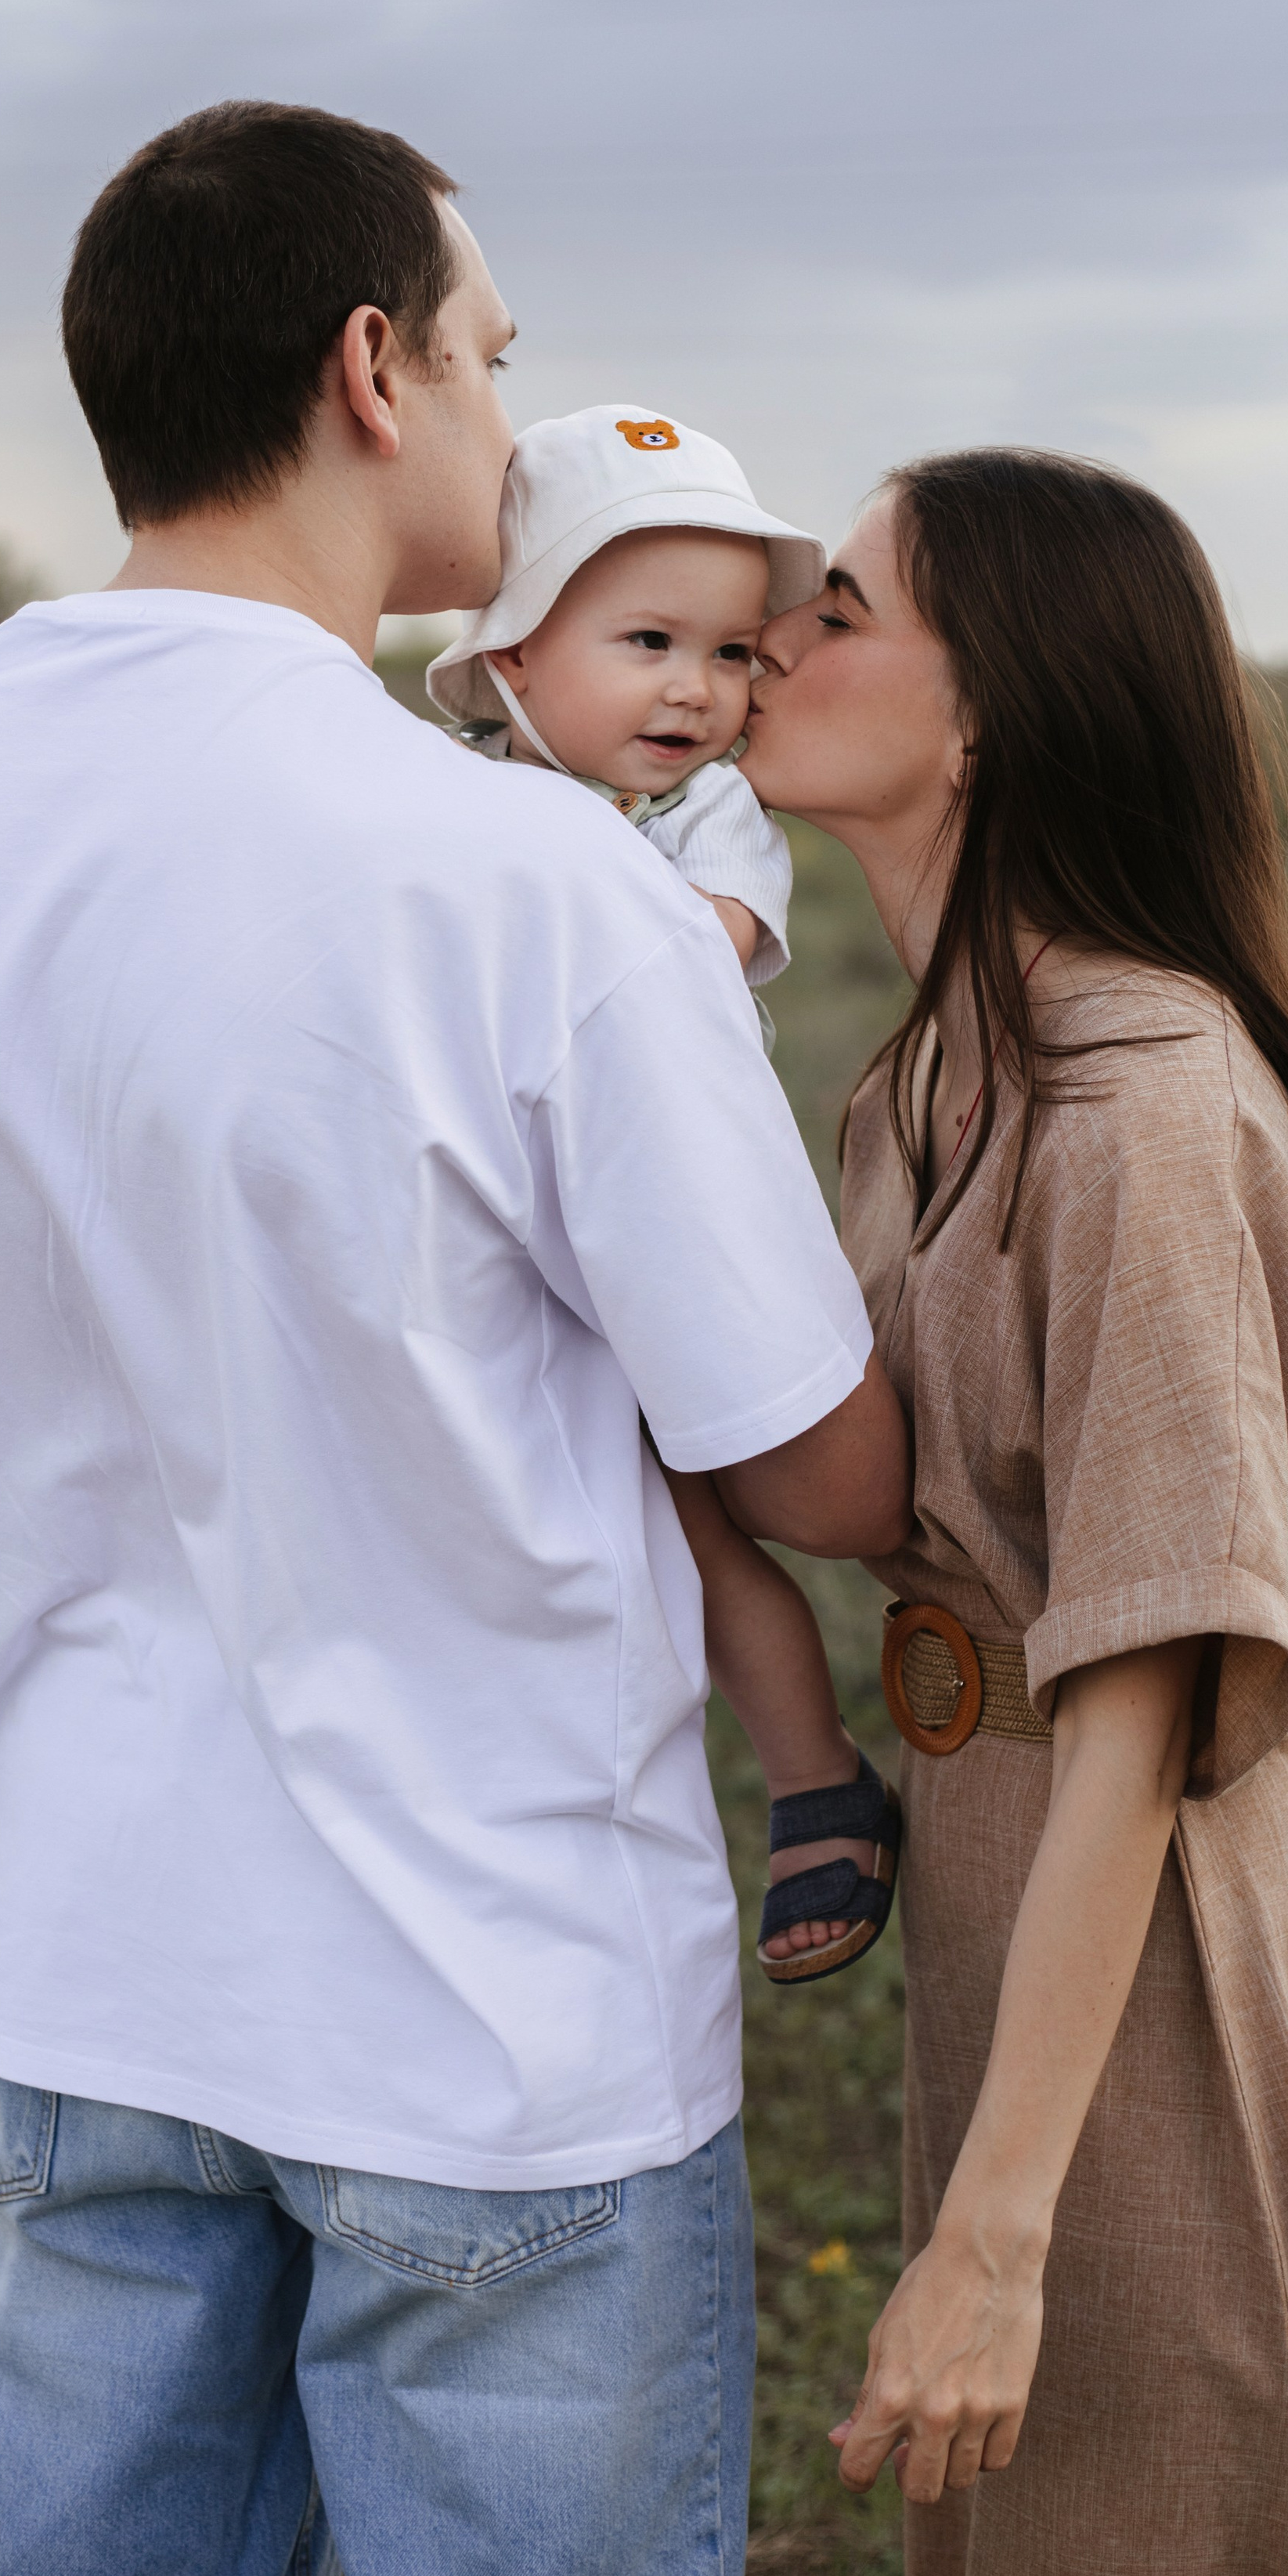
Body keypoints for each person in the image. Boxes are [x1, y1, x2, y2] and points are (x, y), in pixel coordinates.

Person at [0, 99, 911, 2576]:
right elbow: (819, 1471)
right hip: (493, 2024)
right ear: (371, 369)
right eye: (495, 356)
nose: (514, 420)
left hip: (61, 1981)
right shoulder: (537, 885)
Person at [738, 447, 1288, 2576]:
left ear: (999, 709)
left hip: (1175, 1932)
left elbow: (1146, 1703)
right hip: (1021, 1880)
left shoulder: (1148, 1105)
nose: (774, 639)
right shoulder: (930, 1076)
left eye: (840, 608)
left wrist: (993, 2231)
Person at [426, 402, 904, 1983]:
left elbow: (669, 966)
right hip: (506, 1234)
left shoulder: (705, 818)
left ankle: (812, 1769)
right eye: (645, 641)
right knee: (590, 1527)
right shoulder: (446, 794)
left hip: (659, 1238)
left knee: (708, 1539)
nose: (695, 689)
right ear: (508, 660)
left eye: (725, 652)